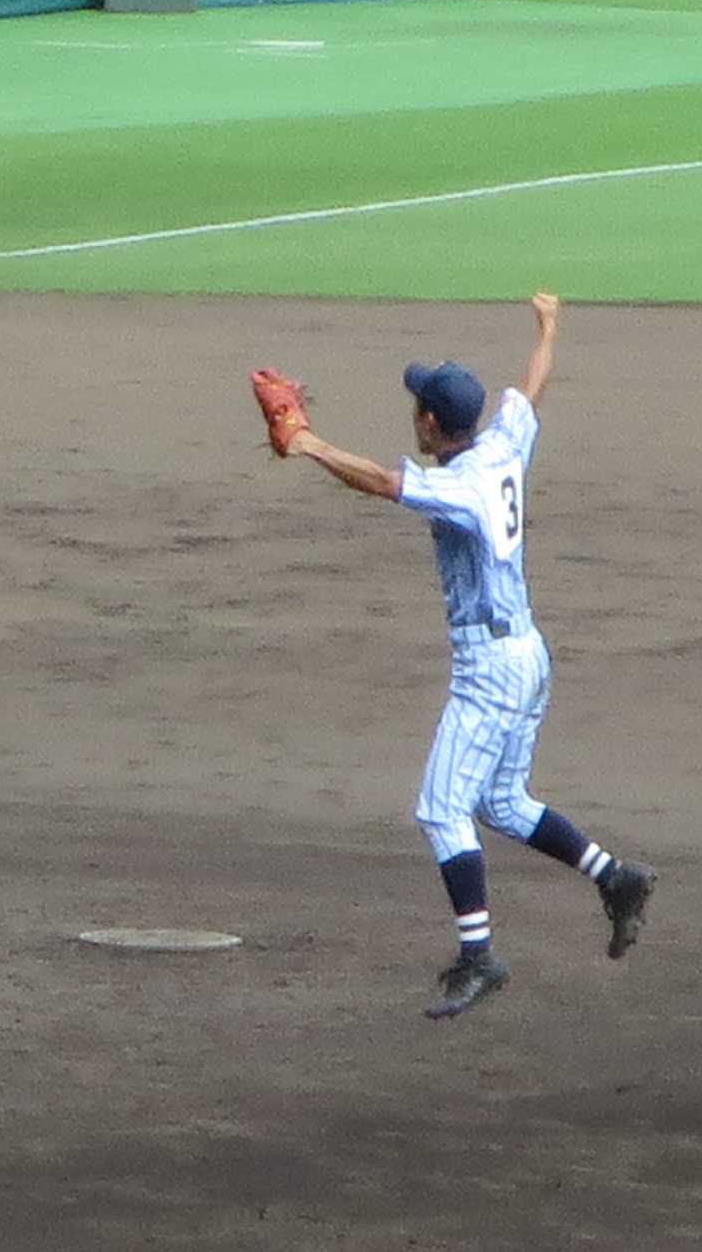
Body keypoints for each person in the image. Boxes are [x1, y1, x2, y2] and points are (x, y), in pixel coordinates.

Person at [264, 300, 656, 1019]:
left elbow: (387, 483)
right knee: (502, 801)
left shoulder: (462, 487)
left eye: (418, 408)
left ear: (434, 425)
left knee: (443, 810)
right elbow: (529, 389)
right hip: (529, 654)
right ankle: (615, 877)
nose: (413, 416)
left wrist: (311, 444)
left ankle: (479, 956)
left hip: (492, 671)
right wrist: (547, 328)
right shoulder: (503, 446)